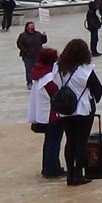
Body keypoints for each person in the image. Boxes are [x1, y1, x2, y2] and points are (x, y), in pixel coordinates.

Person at [51, 38, 102, 186]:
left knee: (70, 140)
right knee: (81, 141)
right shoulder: (85, 69)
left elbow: (55, 83)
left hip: (66, 109)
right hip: (83, 108)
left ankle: (70, 174)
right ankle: (79, 174)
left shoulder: (58, 67)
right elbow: (97, 88)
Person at [26, 48, 66, 179]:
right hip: (52, 114)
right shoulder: (48, 77)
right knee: (54, 142)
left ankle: (48, 167)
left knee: (49, 142)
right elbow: (56, 94)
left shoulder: (39, 73)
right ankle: (52, 169)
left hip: (44, 113)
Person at [16, 21, 48, 89]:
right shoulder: (23, 35)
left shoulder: (38, 34)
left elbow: (43, 41)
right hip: (28, 56)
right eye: (31, 27)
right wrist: (26, 51)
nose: (32, 28)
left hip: (38, 55)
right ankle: (29, 82)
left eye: (33, 27)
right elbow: (19, 44)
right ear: (27, 28)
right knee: (29, 69)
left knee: (39, 69)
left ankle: (39, 82)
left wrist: (44, 36)